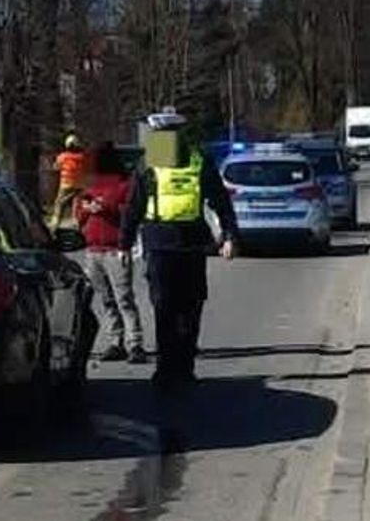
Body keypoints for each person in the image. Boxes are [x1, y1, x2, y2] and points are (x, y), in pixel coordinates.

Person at [119, 108, 240, 387]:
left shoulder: (198, 160)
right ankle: (167, 368)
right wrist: (123, 244)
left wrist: (230, 236)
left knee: (190, 307)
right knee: (165, 308)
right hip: (160, 244)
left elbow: (221, 201)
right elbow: (134, 205)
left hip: (191, 243)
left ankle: (184, 367)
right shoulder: (148, 164)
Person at [75, 143, 147, 365]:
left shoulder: (125, 184)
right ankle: (115, 341)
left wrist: (105, 208)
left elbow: (131, 212)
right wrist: (86, 209)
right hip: (93, 249)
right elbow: (78, 214)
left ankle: (135, 343)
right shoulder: (89, 184)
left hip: (116, 249)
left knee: (123, 297)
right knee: (106, 299)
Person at [51, 134, 87, 228]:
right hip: (80, 185)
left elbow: (56, 167)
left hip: (66, 184)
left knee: (59, 204)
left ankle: (55, 223)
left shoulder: (63, 157)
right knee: (77, 204)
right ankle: (77, 222)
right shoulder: (82, 157)